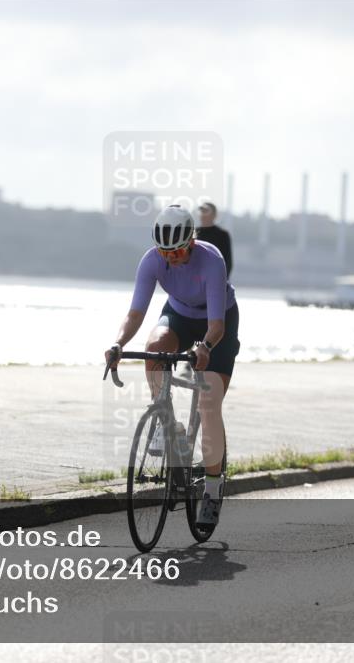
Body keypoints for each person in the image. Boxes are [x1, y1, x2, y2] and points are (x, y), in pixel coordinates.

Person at [105, 205, 240, 529]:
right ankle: (167, 423)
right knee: (154, 348)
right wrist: (119, 344)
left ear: (191, 243)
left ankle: (211, 489)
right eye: (166, 252)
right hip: (179, 316)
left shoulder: (211, 259)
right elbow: (135, 313)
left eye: (178, 251)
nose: (173, 258)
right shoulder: (152, 260)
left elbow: (217, 323)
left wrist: (206, 347)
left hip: (216, 322)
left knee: (209, 406)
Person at [195, 202, 233, 278]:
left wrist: (222, 280)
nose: (203, 214)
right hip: (195, 280)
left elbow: (227, 261)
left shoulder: (222, 235)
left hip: (214, 279)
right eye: (202, 212)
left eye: (206, 211)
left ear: (214, 215)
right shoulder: (193, 234)